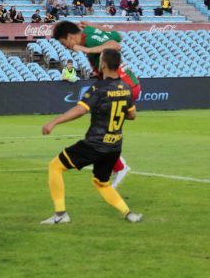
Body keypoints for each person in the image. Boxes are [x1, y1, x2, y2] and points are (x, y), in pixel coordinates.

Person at [41, 49, 142, 224]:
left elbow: (80, 110)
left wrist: (54, 122)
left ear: (103, 64)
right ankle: (129, 213)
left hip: (95, 145)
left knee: (55, 167)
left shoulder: (98, 87)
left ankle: (60, 214)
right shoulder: (126, 88)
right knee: (101, 183)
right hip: (114, 146)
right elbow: (132, 115)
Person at [52, 21, 140, 188]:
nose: (66, 48)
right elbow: (118, 36)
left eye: (65, 43)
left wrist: (85, 50)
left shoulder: (89, 40)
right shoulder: (91, 31)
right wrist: (95, 25)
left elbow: (115, 46)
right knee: (107, 124)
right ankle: (118, 164)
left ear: (70, 37)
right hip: (129, 84)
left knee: (99, 127)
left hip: (120, 84)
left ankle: (119, 166)